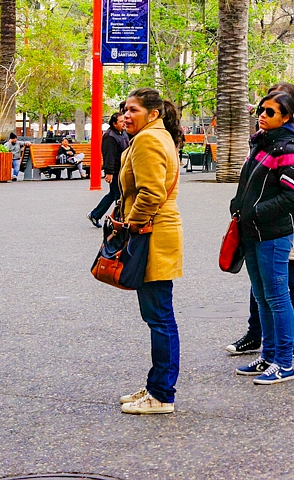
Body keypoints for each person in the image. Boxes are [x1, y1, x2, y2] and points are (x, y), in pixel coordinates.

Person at [226, 82, 294, 364]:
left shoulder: (290, 145)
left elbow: (293, 194)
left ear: (287, 115)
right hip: (254, 230)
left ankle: (283, 359)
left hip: (275, 229)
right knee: (263, 294)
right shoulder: (262, 142)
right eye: (261, 110)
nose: (262, 115)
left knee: (281, 293)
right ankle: (268, 355)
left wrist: (254, 211)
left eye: (270, 111)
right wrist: (239, 208)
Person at [117, 88, 184, 414]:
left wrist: (132, 222)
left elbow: (151, 191)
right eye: (125, 110)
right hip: (159, 231)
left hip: (152, 234)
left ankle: (161, 394)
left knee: (159, 317)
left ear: (153, 113)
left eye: (134, 110)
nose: (126, 115)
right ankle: (157, 384)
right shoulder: (158, 136)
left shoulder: (148, 140)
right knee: (158, 315)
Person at [88, 112, 130, 226]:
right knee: (118, 195)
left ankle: (95, 214)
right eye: (121, 121)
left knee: (114, 194)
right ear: (114, 123)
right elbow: (109, 156)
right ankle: (119, 218)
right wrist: (109, 172)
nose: (124, 123)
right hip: (116, 170)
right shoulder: (110, 136)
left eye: (124, 121)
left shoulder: (123, 133)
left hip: (122, 168)